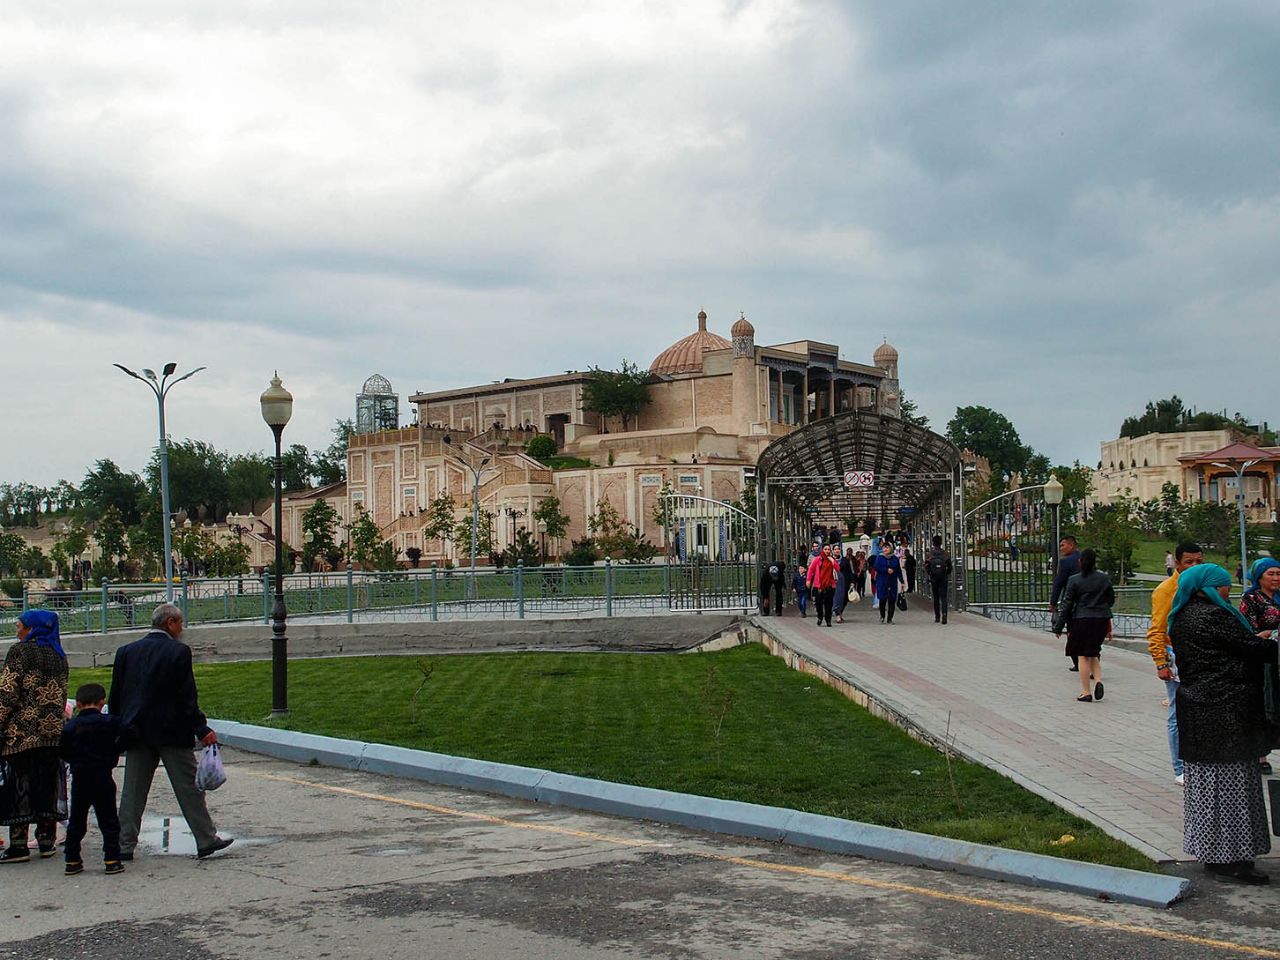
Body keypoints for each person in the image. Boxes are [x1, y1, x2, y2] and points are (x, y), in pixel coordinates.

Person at [1169, 564, 1277, 885]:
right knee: (1233, 790)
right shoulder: (1214, 616)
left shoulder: (1184, 616)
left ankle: (1213, 855)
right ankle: (1235, 861)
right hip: (1227, 714)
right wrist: (1269, 640)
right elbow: (1251, 649)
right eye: (1223, 585)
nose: (1228, 591)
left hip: (1198, 712)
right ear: (1209, 588)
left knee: (1206, 789)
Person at [110, 603, 233, 861]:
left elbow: (117, 696)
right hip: (171, 732)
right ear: (170, 623)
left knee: (132, 792)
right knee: (189, 788)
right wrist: (202, 729)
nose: (182, 629)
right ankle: (205, 838)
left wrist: (116, 729)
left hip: (135, 732)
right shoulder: (178, 652)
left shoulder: (126, 652)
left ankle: (123, 845)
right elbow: (186, 696)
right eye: (180, 623)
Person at [0, 610, 69, 863]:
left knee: (20, 787)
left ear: (32, 629)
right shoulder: (58, 655)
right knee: (46, 786)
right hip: (51, 734)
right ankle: (46, 841)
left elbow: (7, 693)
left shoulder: (20, 652)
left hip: (22, 733)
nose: (17, 631)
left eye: (20, 626)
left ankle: (18, 846)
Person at [1147, 541, 1204, 784]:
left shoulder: (1204, 585)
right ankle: (1179, 768)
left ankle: (1200, 762)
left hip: (1201, 654)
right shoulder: (1166, 590)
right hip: (1176, 654)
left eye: (1198, 561)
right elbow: (1157, 629)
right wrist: (1161, 662)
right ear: (1177, 563)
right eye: (1189, 562)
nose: (1194, 566)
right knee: (1177, 712)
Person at [60, 683, 125, 875]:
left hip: (80, 776)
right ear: (102, 701)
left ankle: (72, 859)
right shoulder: (111, 722)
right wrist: (115, 750)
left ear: (78, 704)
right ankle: (112, 858)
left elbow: (63, 750)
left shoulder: (71, 726)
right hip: (103, 774)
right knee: (108, 819)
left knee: (77, 820)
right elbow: (129, 732)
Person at [1052, 548, 1114, 702]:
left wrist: (1059, 626)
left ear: (1080, 562)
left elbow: (1067, 604)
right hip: (1101, 620)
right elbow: (1110, 600)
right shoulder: (1104, 579)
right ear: (1095, 562)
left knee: (1082, 656)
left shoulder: (1074, 580)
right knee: (1093, 652)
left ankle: (1086, 692)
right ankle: (1098, 680)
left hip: (1081, 619)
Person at [1238, 557, 1280, 776]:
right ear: (1259, 576)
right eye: (1270, 574)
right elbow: (1248, 631)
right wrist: (1269, 635)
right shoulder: (1251, 598)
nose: (1275, 578)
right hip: (1263, 661)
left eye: (1278, 573)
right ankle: (1261, 755)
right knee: (1264, 706)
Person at [1050, 536, 1082, 671]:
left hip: (1072, 601)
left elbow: (1059, 583)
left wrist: (1053, 602)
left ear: (1071, 545)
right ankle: (1092, 661)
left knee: (1072, 632)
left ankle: (1078, 663)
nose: (1061, 549)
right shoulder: (1084, 558)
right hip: (1088, 602)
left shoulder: (1065, 562)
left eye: (1063, 545)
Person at [872, 540, 904, 625]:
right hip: (882, 582)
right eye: (884, 547)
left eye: (887, 547)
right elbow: (876, 567)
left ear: (891, 548)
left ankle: (890, 618)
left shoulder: (895, 559)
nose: (885, 549)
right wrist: (886, 570)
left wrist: (902, 581)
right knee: (882, 599)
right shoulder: (880, 557)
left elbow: (898, 571)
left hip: (892, 582)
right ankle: (882, 616)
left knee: (892, 600)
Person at [807, 544, 838, 628]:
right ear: (822, 550)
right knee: (819, 603)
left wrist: (833, 561)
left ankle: (828, 620)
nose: (827, 551)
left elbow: (838, 569)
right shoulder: (817, 560)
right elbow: (810, 570)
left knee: (829, 604)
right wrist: (808, 580)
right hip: (819, 585)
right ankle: (820, 617)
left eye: (828, 549)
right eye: (825, 549)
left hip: (830, 585)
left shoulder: (832, 560)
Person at [924, 535, 953, 624]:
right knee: (944, 597)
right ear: (941, 543)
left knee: (936, 597)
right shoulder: (945, 554)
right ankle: (944, 615)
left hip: (934, 578)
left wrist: (930, 573)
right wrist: (947, 573)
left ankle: (937, 616)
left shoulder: (930, 554)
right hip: (943, 578)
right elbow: (950, 567)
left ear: (933, 543)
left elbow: (926, 566)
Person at [834, 547, 855, 623]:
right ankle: (837, 614)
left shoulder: (845, 560)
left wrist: (852, 582)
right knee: (836, 599)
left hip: (845, 582)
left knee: (845, 599)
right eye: (835, 549)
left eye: (838, 549)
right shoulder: (831, 560)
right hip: (835, 583)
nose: (837, 550)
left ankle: (840, 612)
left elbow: (850, 571)